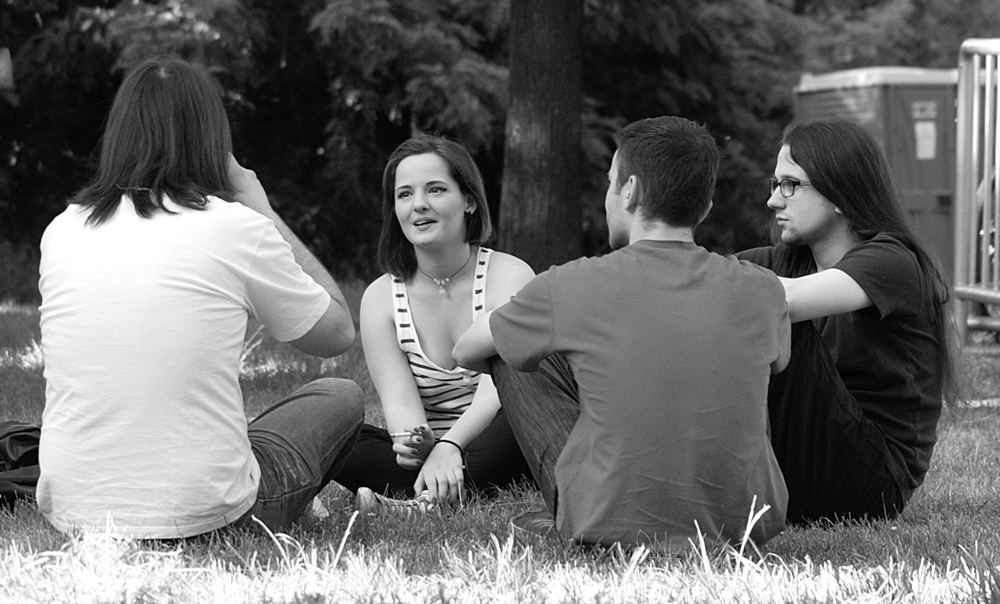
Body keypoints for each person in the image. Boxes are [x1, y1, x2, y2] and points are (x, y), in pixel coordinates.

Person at [37, 57, 364, 539]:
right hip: (209, 514)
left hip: (74, 510)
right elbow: (336, 332)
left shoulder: (62, 230)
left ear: (118, 134)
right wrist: (260, 206)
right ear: (213, 139)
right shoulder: (235, 228)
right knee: (340, 395)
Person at [453, 116, 790, 550]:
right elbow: (777, 362)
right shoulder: (763, 289)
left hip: (609, 527)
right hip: (745, 524)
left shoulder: (572, 285)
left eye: (611, 183)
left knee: (508, 347)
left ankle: (591, 497)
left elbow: (466, 350)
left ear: (629, 191)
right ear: (705, 208)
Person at [737, 118, 955, 524]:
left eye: (791, 185)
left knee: (768, 312)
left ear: (839, 193)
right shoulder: (788, 262)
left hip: (873, 480)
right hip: (813, 458)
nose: (774, 201)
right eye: (775, 184)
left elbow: (781, 300)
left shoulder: (893, 262)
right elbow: (712, 283)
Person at [333, 134, 535, 509]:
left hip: (499, 436)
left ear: (469, 201)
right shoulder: (380, 298)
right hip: (434, 453)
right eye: (404, 194)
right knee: (338, 436)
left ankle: (420, 501)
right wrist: (416, 443)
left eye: (436, 189)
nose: (419, 204)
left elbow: (498, 392)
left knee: (521, 418)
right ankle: (441, 488)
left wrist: (451, 445)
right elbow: (399, 403)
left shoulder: (510, 276)